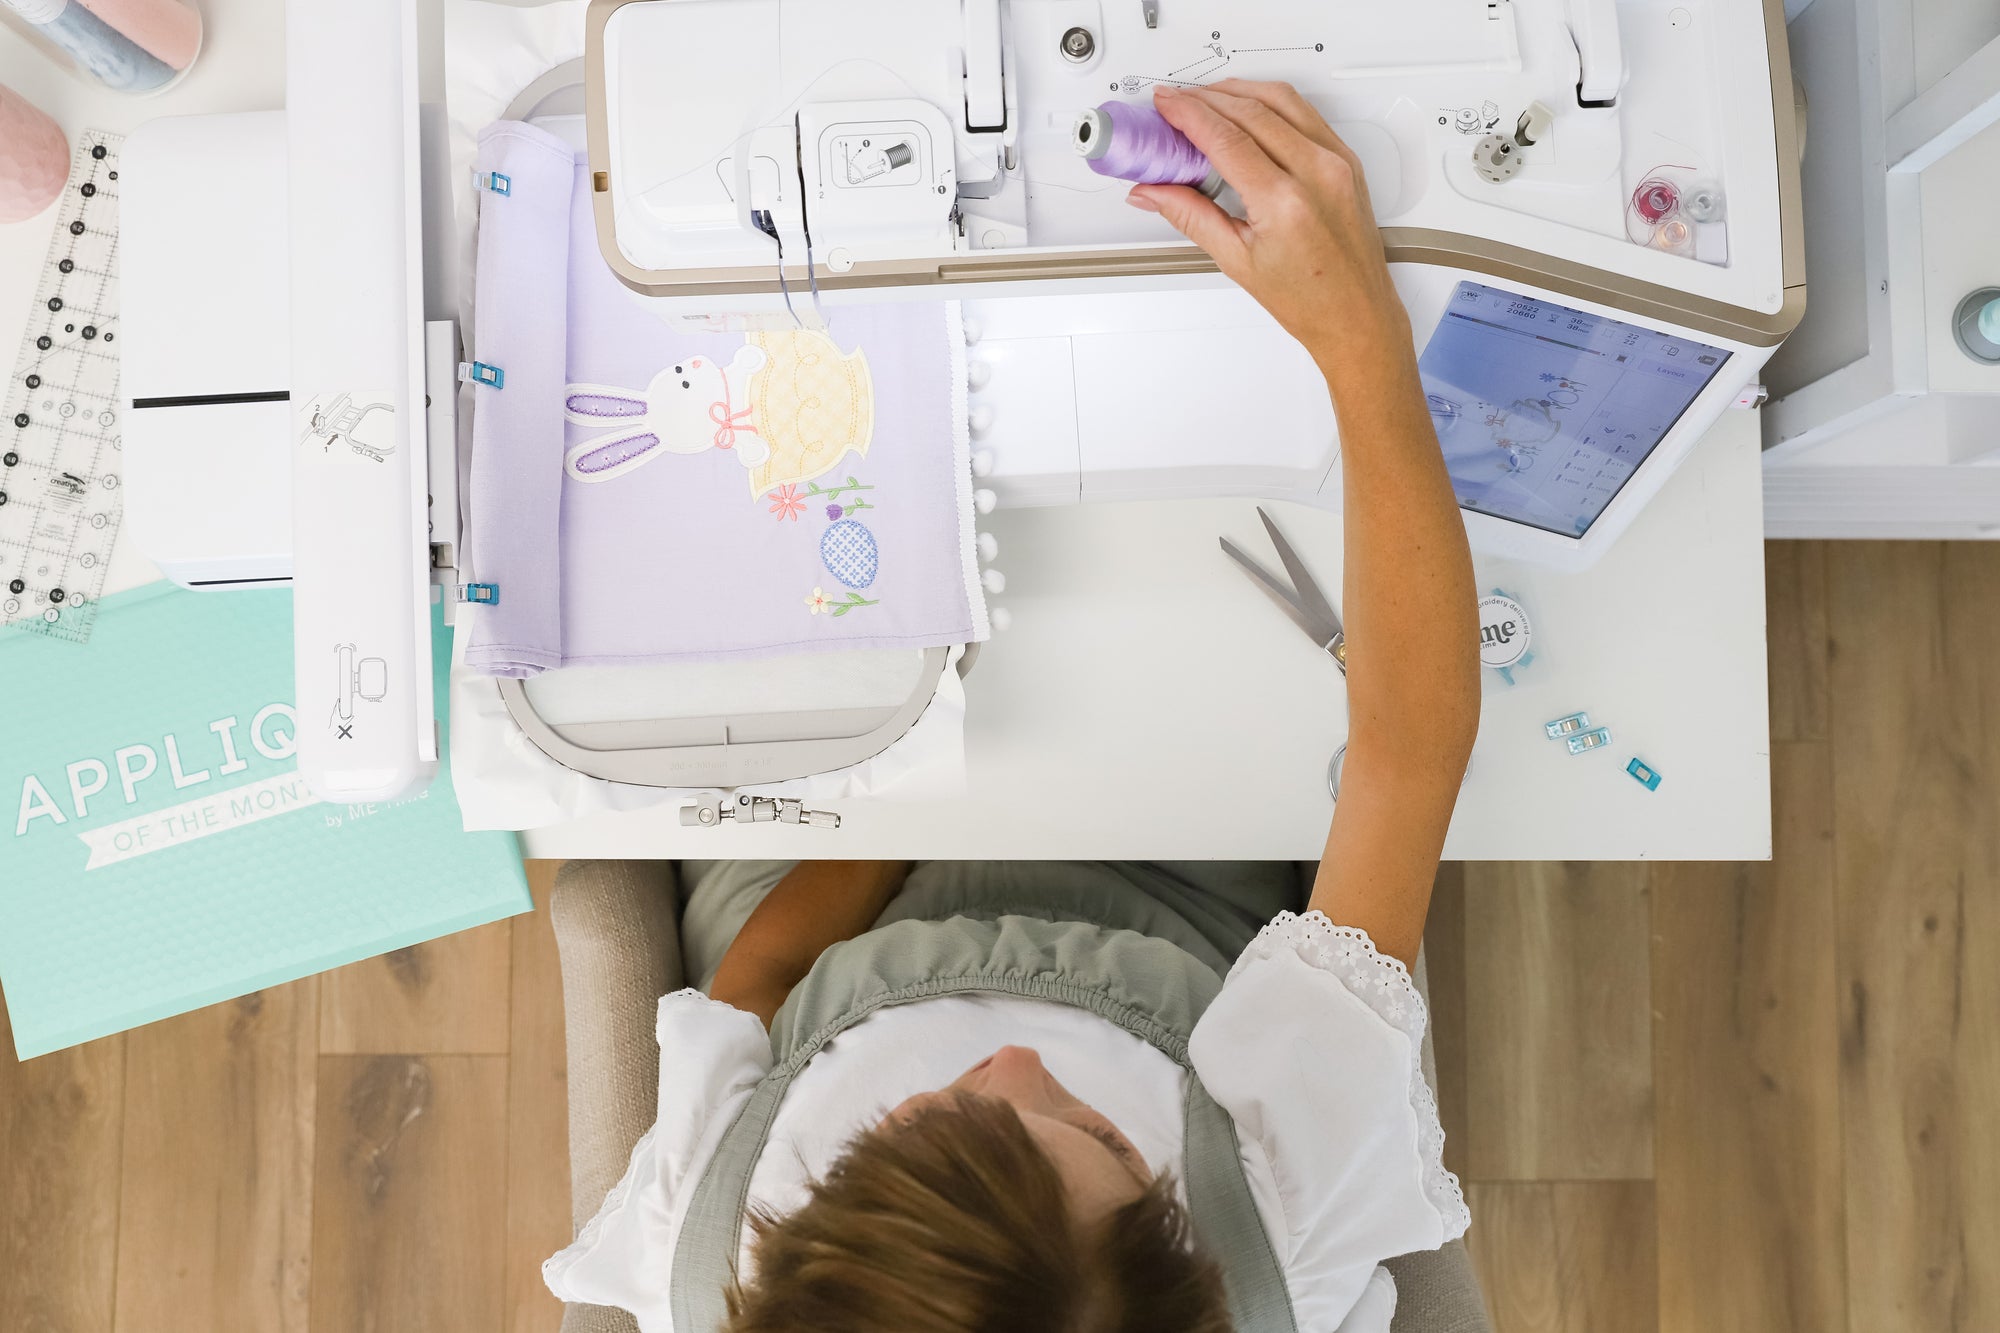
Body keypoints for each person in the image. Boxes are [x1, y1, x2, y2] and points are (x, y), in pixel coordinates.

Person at [543, 80, 1481, 1333]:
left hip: (828, 907)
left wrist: (911, 806)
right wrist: (1358, 335)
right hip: (1173, 894)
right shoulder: (1282, 1220)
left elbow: (760, 973)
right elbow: (1404, 761)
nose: (1020, 1063)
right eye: (1097, 1134)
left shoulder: (697, 1241)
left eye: (915, 1117)